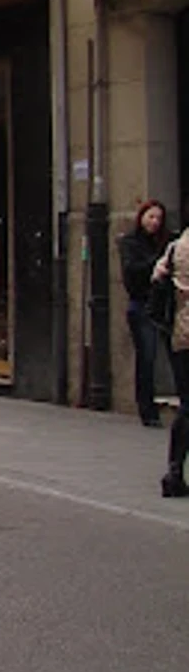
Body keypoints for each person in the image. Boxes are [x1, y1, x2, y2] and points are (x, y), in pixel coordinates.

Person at [119, 201, 169, 427]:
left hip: (165, 306)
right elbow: (131, 271)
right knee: (147, 357)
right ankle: (147, 410)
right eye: (151, 217)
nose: (155, 222)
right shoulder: (131, 243)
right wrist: (156, 263)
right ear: (141, 218)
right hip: (141, 305)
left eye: (158, 218)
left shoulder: (166, 242)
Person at [150, 228, 189, 497]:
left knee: (187, 402)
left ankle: (174, 471)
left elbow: (157, 276)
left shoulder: (176, 246)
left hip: (180, 334)